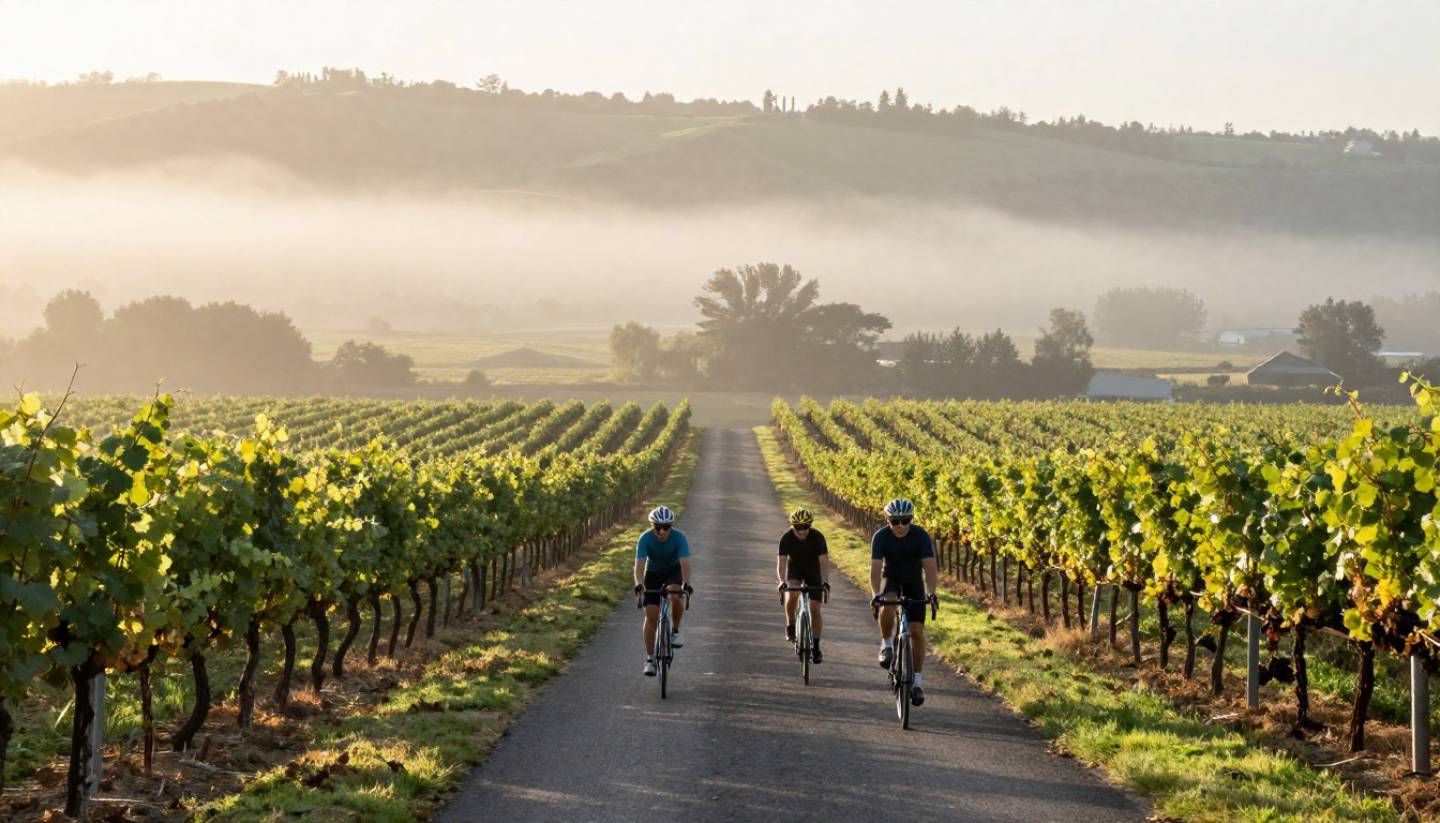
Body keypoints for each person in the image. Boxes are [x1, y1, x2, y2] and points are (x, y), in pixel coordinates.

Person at [870, 498, 939, 705]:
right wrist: (875, 594)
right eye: (895, 521)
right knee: (888, 602)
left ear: (911, 519)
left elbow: (930, 567)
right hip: (890, 577)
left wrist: (932, 592)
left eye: (905, 520)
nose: (900, 526)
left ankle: (917, 682)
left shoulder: (920, 536)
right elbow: (874, 568)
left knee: (917, 631)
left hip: (913, 581)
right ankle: (887, 644)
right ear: (887, 520)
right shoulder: (880, 537)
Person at [633, 505, 692, 677]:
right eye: (658, 527)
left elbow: (685, 564)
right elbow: (639, 567)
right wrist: (639, 584)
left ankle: (675, 631)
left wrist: (686, 584)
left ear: (671, 527)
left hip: (673, 570)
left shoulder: (679, 538)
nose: (662, 531)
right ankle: (650, 659)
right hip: (653, 572)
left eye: (667, 527)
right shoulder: (644, 539)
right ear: (653, 526)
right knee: (651, 615)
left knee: (675, 593)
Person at [777, 508, 829, 663]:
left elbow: (824, 561)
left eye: (805, 527)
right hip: (795, 569)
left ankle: (816, 646)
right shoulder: (786, 538)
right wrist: (781, 581)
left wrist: (825, 582)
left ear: (810, 525)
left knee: (815, 608)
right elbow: (781, 561)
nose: (802, 531)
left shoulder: (818, 537)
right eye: (798, 527)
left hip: (814, 570)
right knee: (791, 591)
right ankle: (791, 624)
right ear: (792, 526)